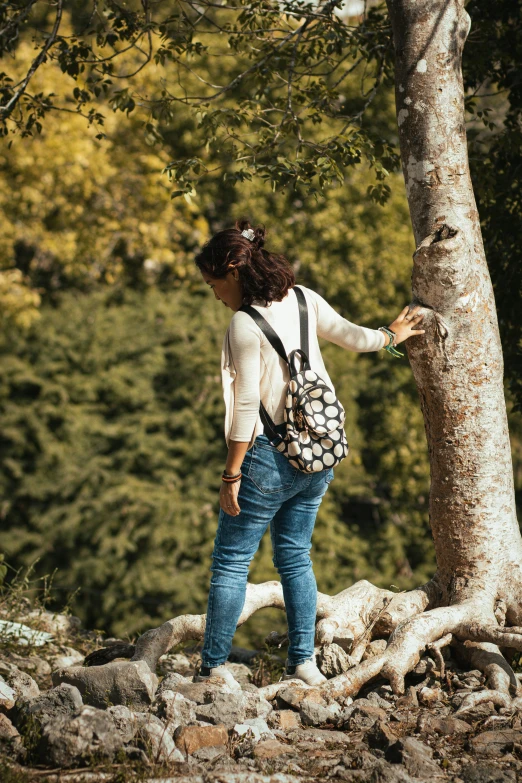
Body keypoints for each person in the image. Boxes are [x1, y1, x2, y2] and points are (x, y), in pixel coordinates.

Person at [194, 219, 425, 686]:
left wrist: (231, 475)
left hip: (267, 458)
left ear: (234, 270)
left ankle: (213, 668)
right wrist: (392, 334)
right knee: (296, 556)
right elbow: (357, 338)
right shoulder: (304, 298)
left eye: (213, 282)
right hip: (319, 455)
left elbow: (244, 406)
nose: (214, 293)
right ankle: (303, 661)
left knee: (232, 561)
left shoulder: (244, 324)